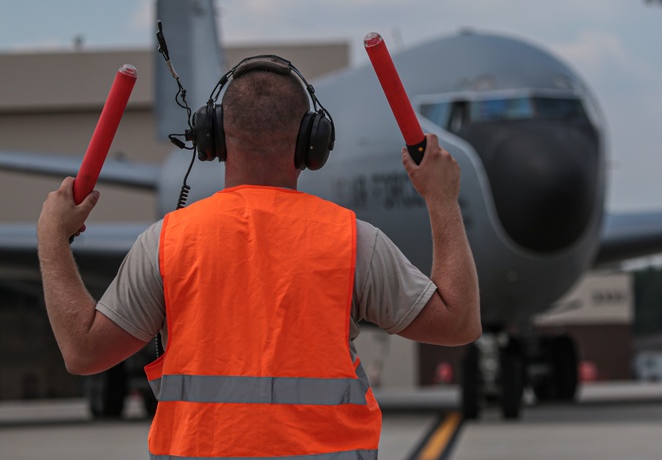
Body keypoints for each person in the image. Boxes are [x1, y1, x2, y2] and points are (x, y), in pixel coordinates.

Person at [35, 57, 481, 459]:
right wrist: (441, 198)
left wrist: (52, 238)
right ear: (312, 144)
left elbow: (84, 352)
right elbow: (458, 323)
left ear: (213, 140)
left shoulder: (166, 242)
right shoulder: (352, 240)